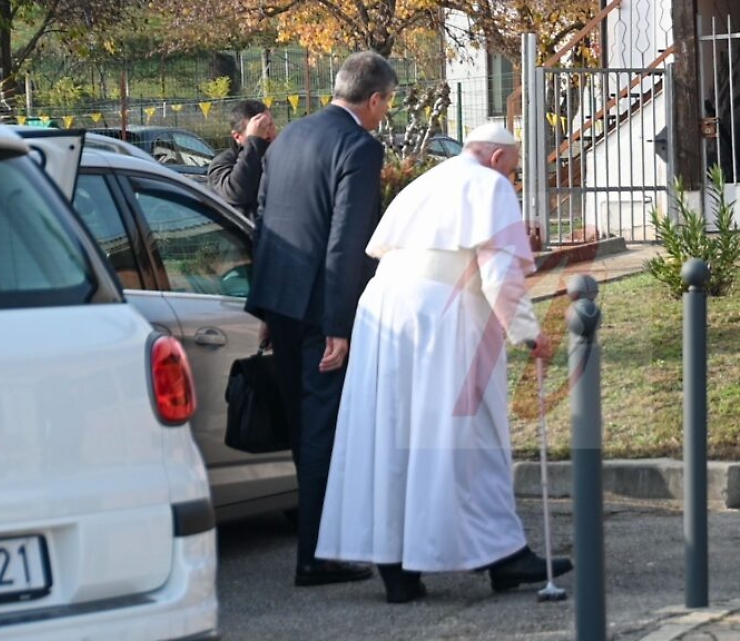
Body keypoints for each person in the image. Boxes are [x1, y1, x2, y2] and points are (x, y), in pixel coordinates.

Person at [315, 123, 573, 604]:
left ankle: (397, 569)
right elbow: (499, 275)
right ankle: (504, 555)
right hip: (443, 316)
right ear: (498, 159)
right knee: (468, 435)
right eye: (514, 172)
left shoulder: (428, 182)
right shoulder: (489, 184)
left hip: (385, 311)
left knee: (392, 436)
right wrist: (529, 334)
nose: (512, 182)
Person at [245, 51, 397, 588]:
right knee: (320, 433)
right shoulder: (359, 145)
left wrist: (264, 307)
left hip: (281, 302)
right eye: (387, 103)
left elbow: (264, 221)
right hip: (319, 311)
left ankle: (320, 550)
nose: (385, 112)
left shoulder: (288, 138)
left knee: (303, 430)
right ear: (374, 99)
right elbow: (346, 242)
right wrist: (338, 325)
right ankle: (315, 556)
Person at [208, 100, 276, 220]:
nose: (268, 133)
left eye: (269, 125)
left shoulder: (281, 156)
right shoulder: (222, 164)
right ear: (237, 137)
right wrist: (255, 142)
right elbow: (236, 193)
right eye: (259, 128)